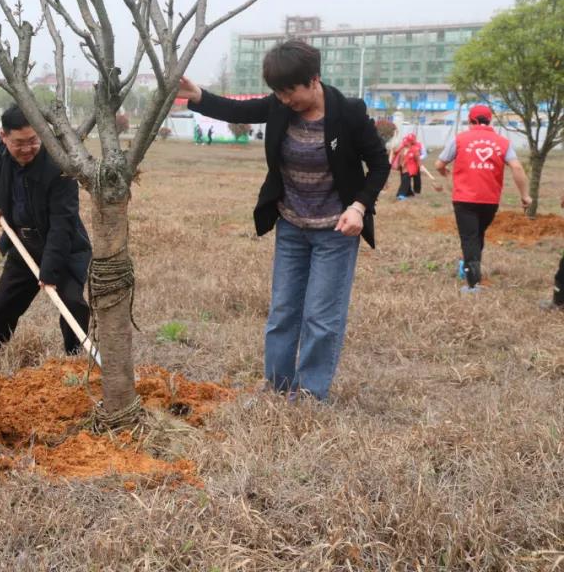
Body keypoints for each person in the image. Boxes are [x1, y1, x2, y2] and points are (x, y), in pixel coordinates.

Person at [178, 39, 390, 401]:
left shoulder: (348, 112)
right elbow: (237, 111)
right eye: (278, 92)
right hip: (292, 225)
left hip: (335, 231)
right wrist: (197, 94)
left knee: (321, 318)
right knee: (283, 311)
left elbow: (380, 164)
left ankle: (309, 392)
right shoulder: (279, 108)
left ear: (314, 80)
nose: (285, 99)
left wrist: (359, 206)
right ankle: (277, 386)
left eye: (291, 91)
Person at [0, 105, 91, 354]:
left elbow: (62, 222)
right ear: (3, 137)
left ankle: (74, 358)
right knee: (1, 308)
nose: (27, 148)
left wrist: (49, 272)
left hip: (63, 245)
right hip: (22, 243)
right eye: (19, 142)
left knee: (72, 304)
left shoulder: (60, 164)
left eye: (33, 140)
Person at [434, 104, 531, 292]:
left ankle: (472, 283)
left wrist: (444, 172)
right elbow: (517, 168)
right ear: (490, 121)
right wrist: (525, 195)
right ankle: (469, 266)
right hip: (490, 200)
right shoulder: (502, 142)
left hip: (465, 199)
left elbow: (439, 163)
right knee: (477, 235)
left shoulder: (460, 139)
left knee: (470, 238)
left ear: (471, 121)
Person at [391, 133, 424, 199]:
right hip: (403, 167)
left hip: (412, 168)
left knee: (407, 179)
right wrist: (393, 148)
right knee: (404, 179)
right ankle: (409, 193)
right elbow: (395, 152)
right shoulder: (402, 148)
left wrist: (420, 166)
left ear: (411, 142)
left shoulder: (415, 148)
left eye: (407, 142)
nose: (405, 144)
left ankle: (402, 194)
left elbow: (418, 158)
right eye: (405, 142)